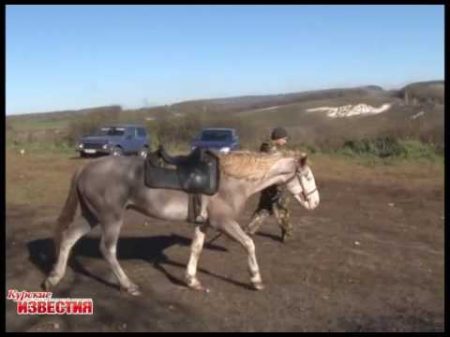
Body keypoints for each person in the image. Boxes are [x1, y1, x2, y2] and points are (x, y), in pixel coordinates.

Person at [244, 127, 293, 242]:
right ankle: (287, 234)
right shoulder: (274, 151)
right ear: (278, 138)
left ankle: (249, 229)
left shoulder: (264, 147)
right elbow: (277, 168)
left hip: (265, 185)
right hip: (275, 186)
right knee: (282, 210)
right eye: (284, 139)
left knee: (264, 208)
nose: (285, 142)